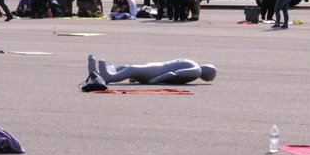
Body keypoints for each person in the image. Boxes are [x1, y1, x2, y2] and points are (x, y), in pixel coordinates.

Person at [88, 54, 216, 85]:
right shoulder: (194, 70)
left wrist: (155, 80)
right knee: (127, 68)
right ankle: (101, 74)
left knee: (131, 68)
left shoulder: (196, 70)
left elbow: (174, 73)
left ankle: (108, 77)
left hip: (157, 71)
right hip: (156, 69)